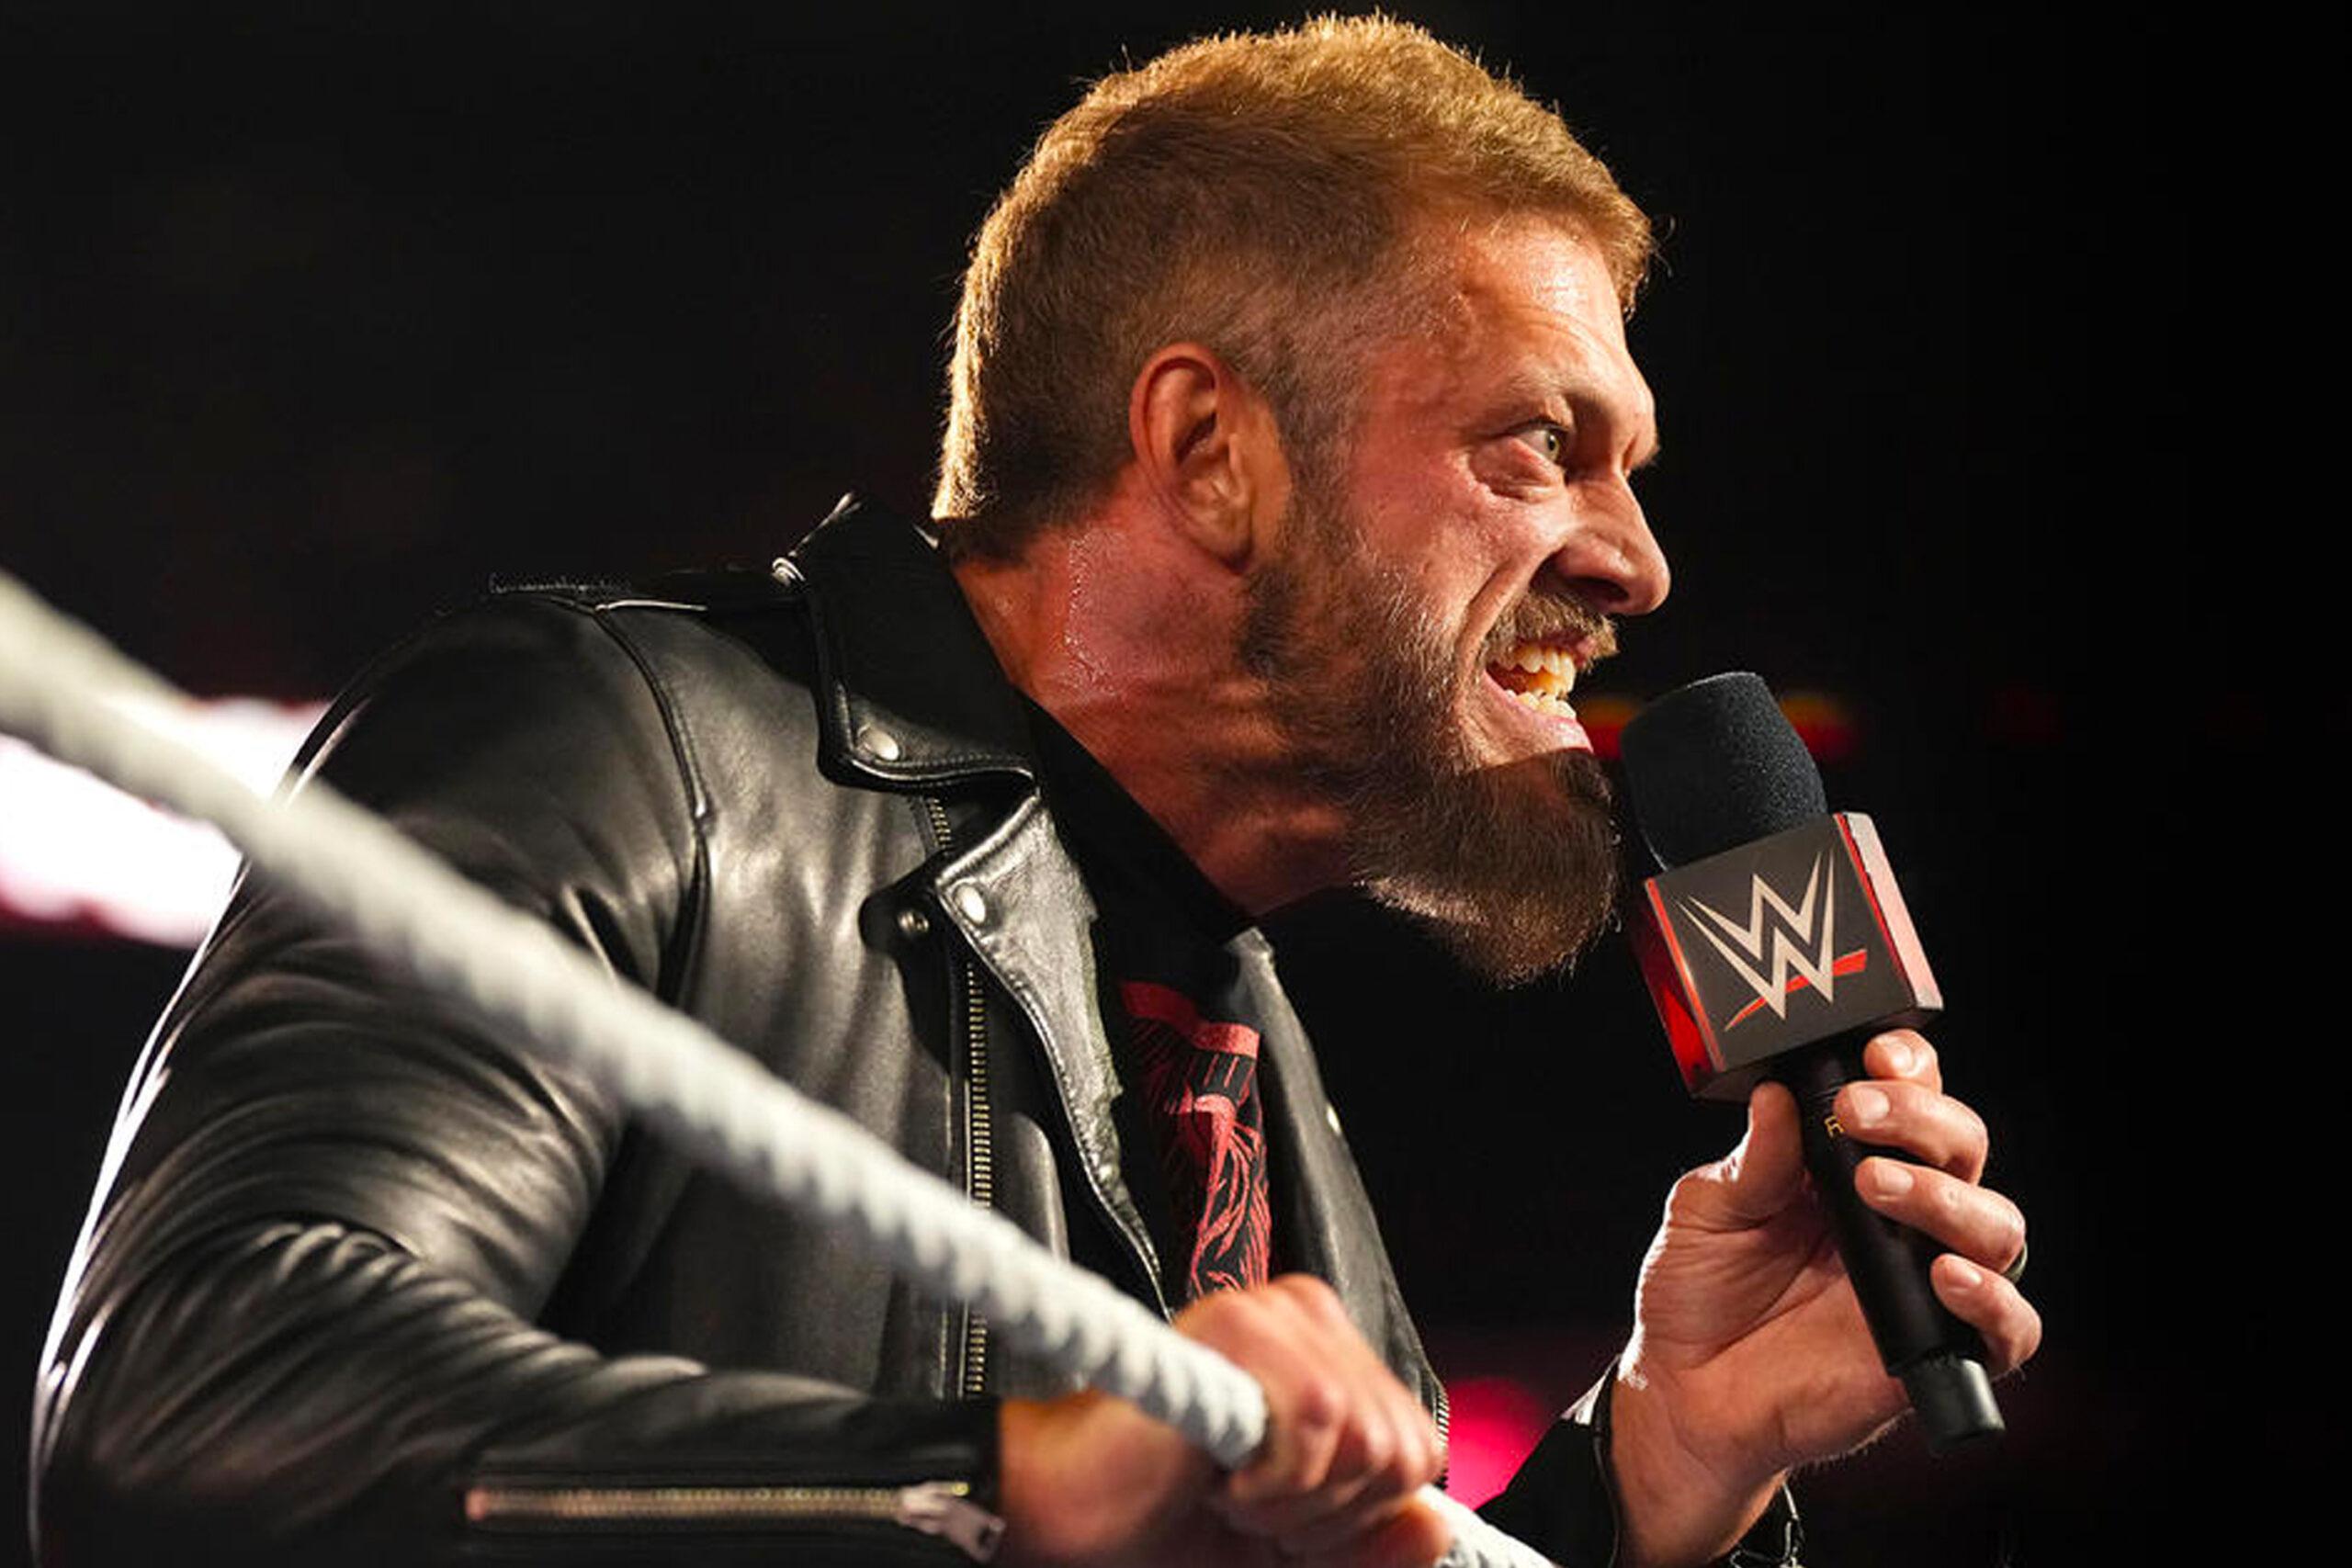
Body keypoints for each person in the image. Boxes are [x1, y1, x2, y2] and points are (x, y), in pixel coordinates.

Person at [32, 17, 2039, 1568]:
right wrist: (981, 1482)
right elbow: (187, 1409)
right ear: (1210, 451)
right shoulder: (630, 748)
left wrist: (1666, 1465)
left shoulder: (1237, 1041)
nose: (1637, 561)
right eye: (1539, 444)